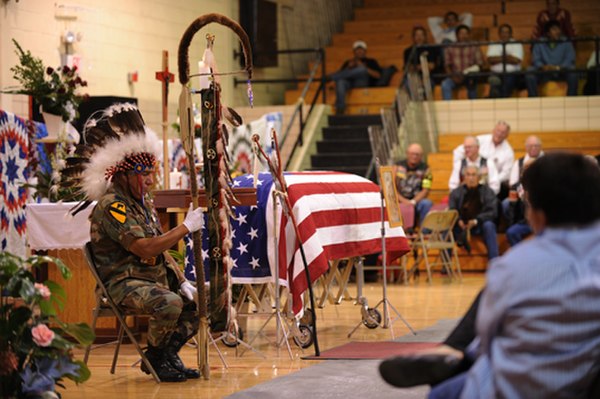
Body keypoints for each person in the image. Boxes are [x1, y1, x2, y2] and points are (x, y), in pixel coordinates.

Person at [380, 153, 600, 398]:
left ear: (536, 214)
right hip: (582, 381)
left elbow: (488, 335)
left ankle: (456, 355)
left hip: (511, 387)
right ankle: (456, 356)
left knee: (442, 391)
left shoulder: (514, 266)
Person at [72, 104, 205, 382]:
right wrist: (184, 227)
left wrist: (181, 280)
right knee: (169, 303)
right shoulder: (113, 206)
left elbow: (160, 250)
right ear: (123, 175)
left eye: (149, 174)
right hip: (123, 283)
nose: (148, 181)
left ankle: (165, 355)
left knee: (201, 303)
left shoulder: (141, 204)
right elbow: (145, 247)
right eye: (142, 175)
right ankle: (156, 360)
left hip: (149, 279)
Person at [449, 165, 499, 259]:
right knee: (447, 228)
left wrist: (476, 221)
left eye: (474, 175)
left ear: (479, 177)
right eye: (468, 175)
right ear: (464, 177)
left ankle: (494, 262)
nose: (471, 178)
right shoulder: (455, 193)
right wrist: (458, 220)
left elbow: (492, 212)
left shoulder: (488, 192)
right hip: (461, 226)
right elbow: (452, 210)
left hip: (480, 225)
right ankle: (445, 264)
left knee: (489, 225)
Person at [452, 121, 513, 198]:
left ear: (507, 135)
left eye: (503, 132)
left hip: (494, 184)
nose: (499, 134)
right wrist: (460, 168)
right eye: (498, 130)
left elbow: (506, 174)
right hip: (469, 182)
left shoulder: (509, 152)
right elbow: (457, 151)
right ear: (493, 130)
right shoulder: (481, 139)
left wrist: (491, 177)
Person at [525, 20, 578, 97]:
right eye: (554, 29)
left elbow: (570, 59)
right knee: (530, 71)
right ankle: (533, 99)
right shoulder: (539, 42)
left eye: (558, 29)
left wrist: (558, 67)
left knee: (573, 71)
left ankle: (572, 99)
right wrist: (543, 66)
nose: (558, 31)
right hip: (545, 72)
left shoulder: (566, 41)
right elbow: (536, 59)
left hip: (561, 71)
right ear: (548, 33)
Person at [328, 40, 382, 115]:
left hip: (362, 83)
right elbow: (342, 74)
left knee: (362, 69)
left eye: (361, 49)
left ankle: (332, 77)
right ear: (354, 51)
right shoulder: (349, 62)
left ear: (365, 51)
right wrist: (348, 68)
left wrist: (363, 67)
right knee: (340, 82)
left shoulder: (371, 61)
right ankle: (340, 108)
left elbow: (378, 75)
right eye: (357, 49)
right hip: (349, 83)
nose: (359, 51)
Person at [393, 143, 433, 229]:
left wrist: (413, 202)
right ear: (407, 153)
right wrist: (403, 201)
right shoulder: (397, 166)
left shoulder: (427, 169)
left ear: (421, 156)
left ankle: (423, 233)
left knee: (427, 203)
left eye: (417, 154)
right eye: (412, 154)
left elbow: (426, 189)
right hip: (399, 200)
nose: (414, 156)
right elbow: (391, 187)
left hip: (417, 201)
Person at [441, 25, 485, 100]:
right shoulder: (450, 47)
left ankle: (473, 108)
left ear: (469, 35)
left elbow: (480, 64)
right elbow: (447, 65)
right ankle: (448, 109)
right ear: (457, 35)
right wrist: (453, 77)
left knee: (473, 83)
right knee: (445, 84)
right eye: (461, 33)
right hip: (455, 76)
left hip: (470, 76)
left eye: (466, 33)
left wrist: (468, 73)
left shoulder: (474, 46)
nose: (464, 36)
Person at [486, 24, 523, 98]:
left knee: (507, 80)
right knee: (494, 81)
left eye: (507, 32)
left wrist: (499, 58)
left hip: (512, 74)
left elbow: (516, 60)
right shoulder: (493, 44)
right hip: (496, 73)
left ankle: (501, 99)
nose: (504, 34)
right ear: (499, 34)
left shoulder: (517, 44)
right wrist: (507, 57)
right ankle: (496, 99)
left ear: (510, 34)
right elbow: (490, 60)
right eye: (502, 32)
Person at [403, 26, 442, 93]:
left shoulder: (432, 49)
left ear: (425, 37)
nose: (419, 37)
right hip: (413, 77)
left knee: (429, 85)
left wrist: (417, 67)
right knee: (407, 85)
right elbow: (409, 68)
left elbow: (431, 66)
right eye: (417, 35)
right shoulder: (408, 51)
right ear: (413, 37)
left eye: (421, 35)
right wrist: (423, 66)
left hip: (429, 77)